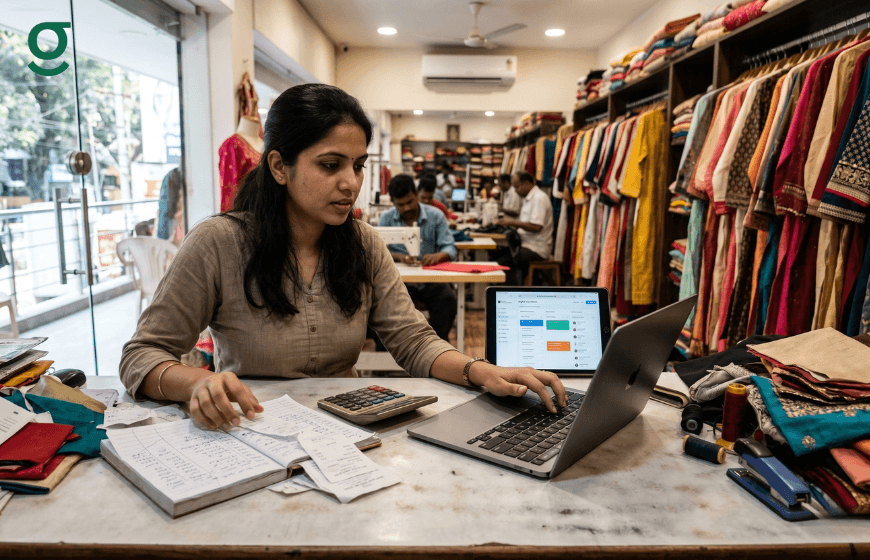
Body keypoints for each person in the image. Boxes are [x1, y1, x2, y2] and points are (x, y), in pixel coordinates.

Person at [120, 84, 567, 431]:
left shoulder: (364, 243)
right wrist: (197, 383)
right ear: (279, 167)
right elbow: (143, 355)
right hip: (250, 431)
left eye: (358, 165)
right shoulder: (218, 244)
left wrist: (481, 371)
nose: (351, 183)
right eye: (331, 165)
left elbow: (413, 341)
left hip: (350, 430)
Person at [379, 174, 458, 342]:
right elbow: (378, 251)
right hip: (396, 282)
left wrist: (438, 256)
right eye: (401, 205)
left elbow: (450, 247)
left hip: (429, 281)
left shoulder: (435, 216)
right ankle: (385, 356)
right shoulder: (386, 218)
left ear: (416, 194)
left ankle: (438, 346)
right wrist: (400, 257)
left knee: (447, 300)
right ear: (393, 202)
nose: (407, 208)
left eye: (410, 202)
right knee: (376, 306)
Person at [496, 171, 554, 286]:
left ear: (526, 183)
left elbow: (536, 227)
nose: (516, 191)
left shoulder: (539, 199)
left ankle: (513, 294)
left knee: (503, 263)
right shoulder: (529, 199)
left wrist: (514, 222)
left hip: (537, 248)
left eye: (517, 187)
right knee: (499, 253)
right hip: (528, 244)